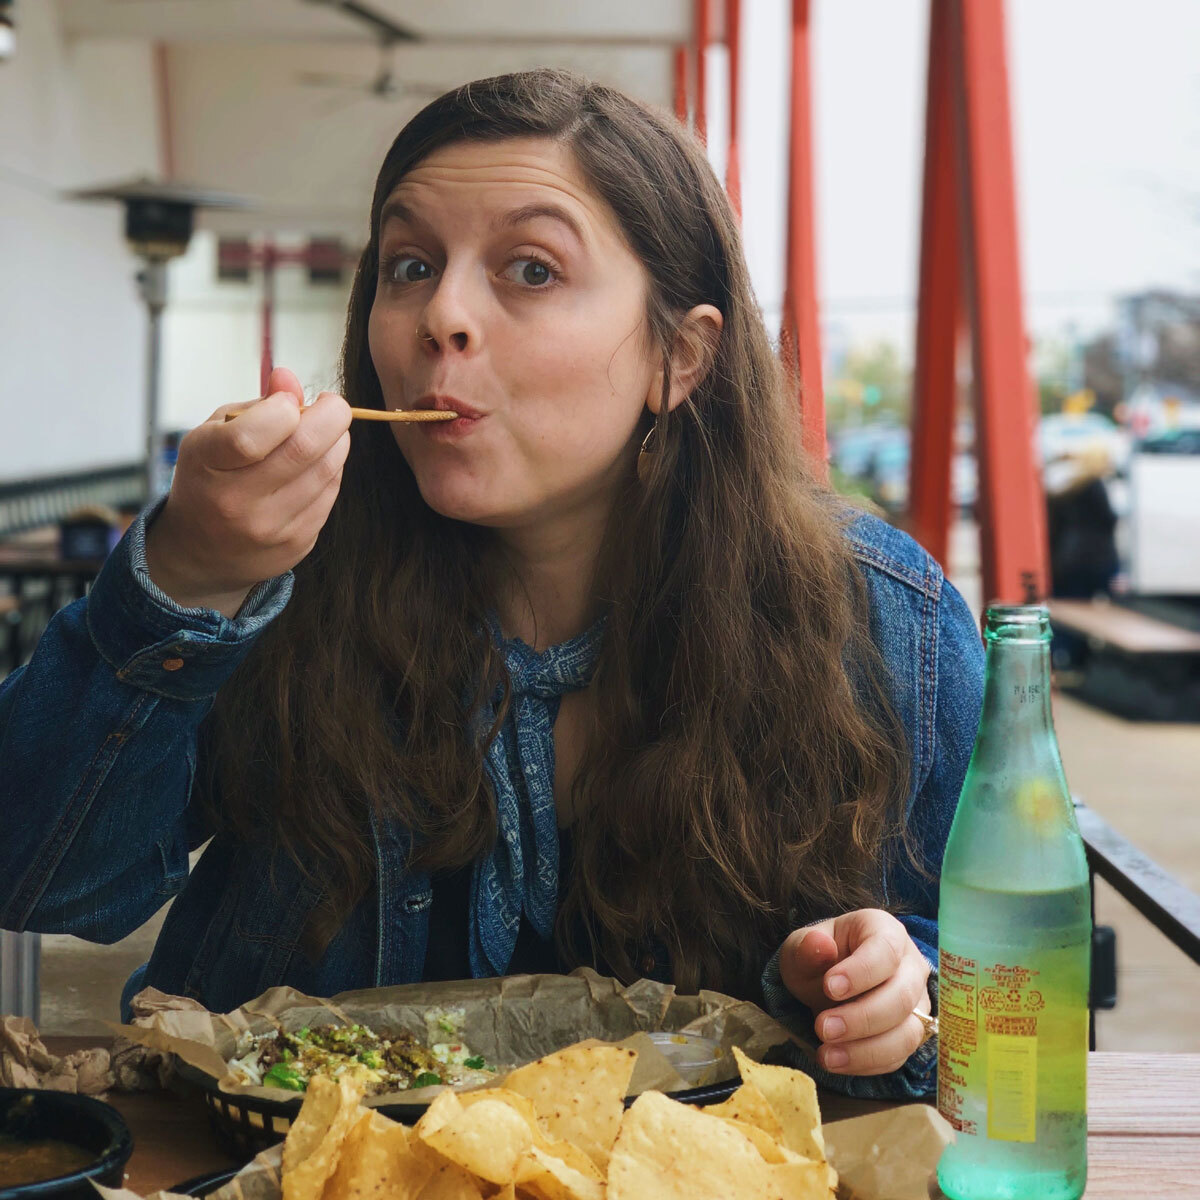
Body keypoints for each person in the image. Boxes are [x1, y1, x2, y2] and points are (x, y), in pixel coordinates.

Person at [0, 70, 983, 1099]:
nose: (442, 316)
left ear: (679, 357)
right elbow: (43, 877)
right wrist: (188, 581)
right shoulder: (277, 585)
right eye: (410, 264)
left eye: (529, 269)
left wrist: (884, 982)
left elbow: (970, 970)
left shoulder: (879, 619)